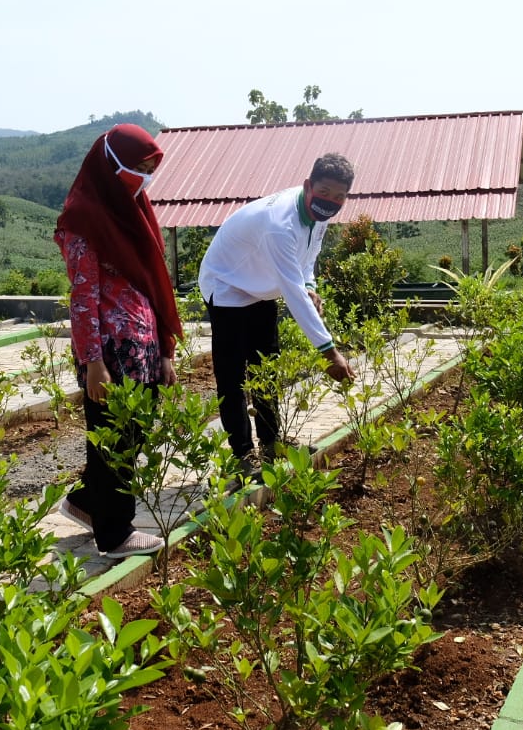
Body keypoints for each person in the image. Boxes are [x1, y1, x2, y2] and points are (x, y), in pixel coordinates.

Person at [54, 124, 182, 559]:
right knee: (114, 441)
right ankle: (115, 533)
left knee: (134, 436)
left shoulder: (136, 212)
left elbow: (153, 284)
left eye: (149, 169)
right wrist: (92, 362)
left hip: (143, 348)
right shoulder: (83, 217)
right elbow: (83, 295)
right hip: (109, 353)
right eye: (136, 167)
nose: (143, 176)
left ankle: (87, 502)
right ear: (110, 163)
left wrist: (165, 350)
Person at [198, 152, 357, 476]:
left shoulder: (317, 214)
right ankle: (243, 454)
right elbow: (292, 292)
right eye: (325, 192)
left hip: (260, 287)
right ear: (308, 185)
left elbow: (307, 259)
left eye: (340, 197)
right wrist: (329, 352)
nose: (331, 202)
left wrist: (310, 285)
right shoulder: (280, 224)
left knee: (266, 365)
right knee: (233, 376)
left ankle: (272, 443)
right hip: (227, 284)